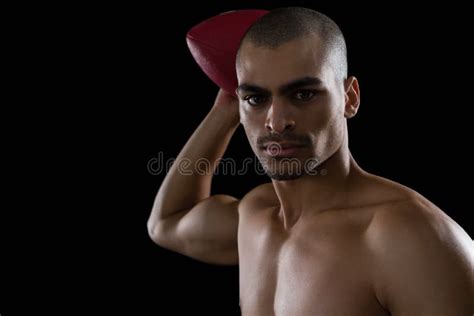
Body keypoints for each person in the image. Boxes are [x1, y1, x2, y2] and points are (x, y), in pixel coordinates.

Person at [147, 7, 473, 315]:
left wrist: (248, 99)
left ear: (350, 98)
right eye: (257, 98)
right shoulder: (256, 216)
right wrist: (225, 110)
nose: (276, 122)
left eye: (302, 94)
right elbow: (166, 223)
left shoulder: (409, 237)